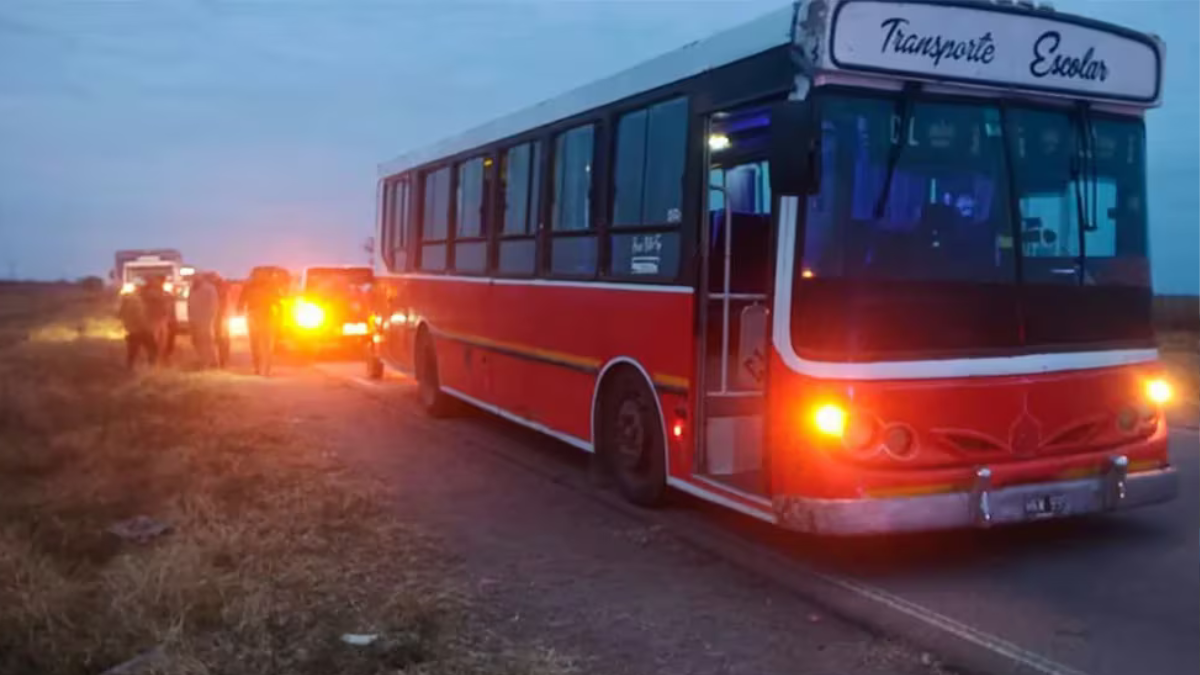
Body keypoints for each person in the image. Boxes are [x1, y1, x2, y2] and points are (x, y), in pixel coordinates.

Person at [238, 268, 285, 376]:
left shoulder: (249, 285)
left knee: (255, 343)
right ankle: (265, 369)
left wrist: (240, 310)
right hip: (266, 315)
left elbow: (241, 302)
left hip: (254, 315)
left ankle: (258, 368)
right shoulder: (272, 285)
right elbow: (278, 301)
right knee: (267, 344)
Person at [117, 280, 157, 369]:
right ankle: (151, 367)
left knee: (132, 351)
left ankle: (129, 367)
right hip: (140, 329)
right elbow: (140, 316)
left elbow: (120, 315)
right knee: (152, 348)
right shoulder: (135, 300)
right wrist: (147, 327)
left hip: (131, 330)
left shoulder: (125, 300)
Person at [188, 273, 220, 368]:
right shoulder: (193, 289)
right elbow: (189, 304)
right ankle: (203, 359)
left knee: (207, 341)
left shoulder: (209, 288)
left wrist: (210, 318)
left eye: (195, 278)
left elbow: (214, 305)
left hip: (205, 319)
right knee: (196, 341)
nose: (193, 280)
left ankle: (211, 362)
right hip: (195, 319)